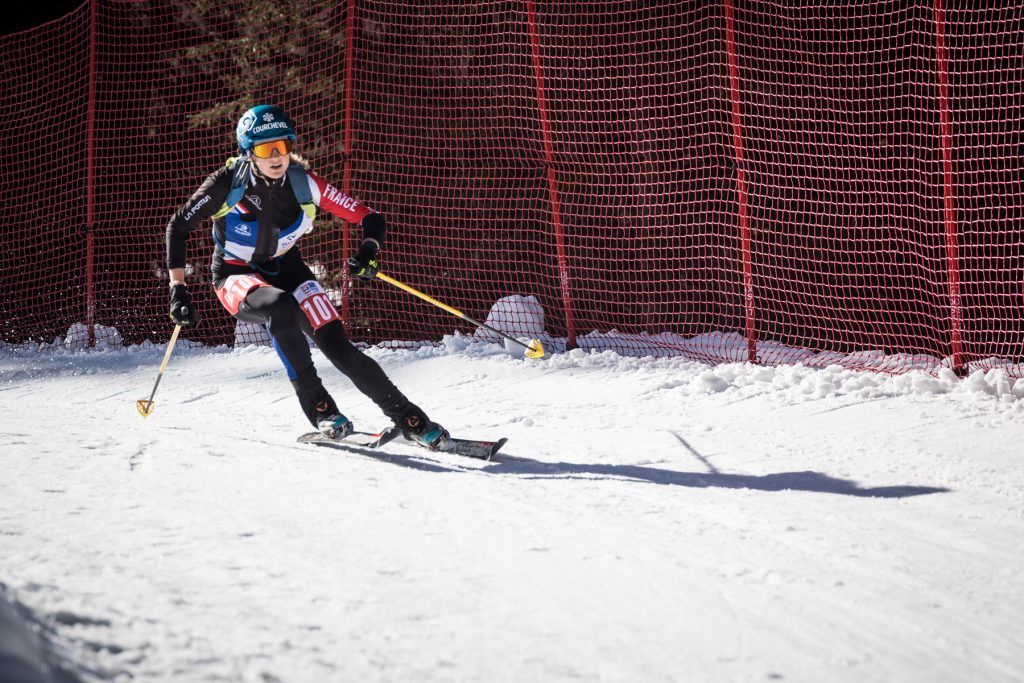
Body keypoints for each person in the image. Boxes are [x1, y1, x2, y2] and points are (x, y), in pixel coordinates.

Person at [164, 104, 447, 447]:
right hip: (235, 275)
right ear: (248, 152)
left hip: (289, 268)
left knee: (338, 345)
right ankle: (322, 409)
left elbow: (369, 217)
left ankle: (411, 419)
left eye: (281, 146)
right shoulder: (226, 185)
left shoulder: (304, 183)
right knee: (280, 307)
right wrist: (178, 289)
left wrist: (369, 250)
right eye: (265, 149)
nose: (275, 156)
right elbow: (178, 227)